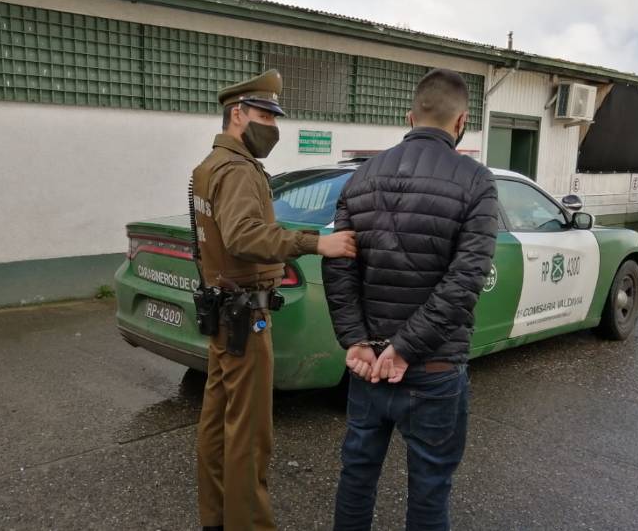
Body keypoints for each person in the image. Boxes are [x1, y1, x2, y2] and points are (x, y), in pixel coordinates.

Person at [322, 69, 499, 531]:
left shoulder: (361, 176)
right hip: (434, 369)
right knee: (429, 487)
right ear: (462, 121)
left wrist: (357, 340)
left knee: (356, 477)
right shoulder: (476, 181)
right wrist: (406, 348)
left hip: (368, 365)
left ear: (410, 116)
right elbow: (466, 280)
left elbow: (338, 265)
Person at [192, 69, 357, 531]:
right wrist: (315, 243)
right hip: (246, 314)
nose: (272, 124)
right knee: (249, 434)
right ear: (237, 113)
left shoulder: (210, 166)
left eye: (273, 114)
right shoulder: (239, 170)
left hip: (225, 311)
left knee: (217, 422)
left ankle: (216, 517)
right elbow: (244, 236)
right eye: (263, 113)